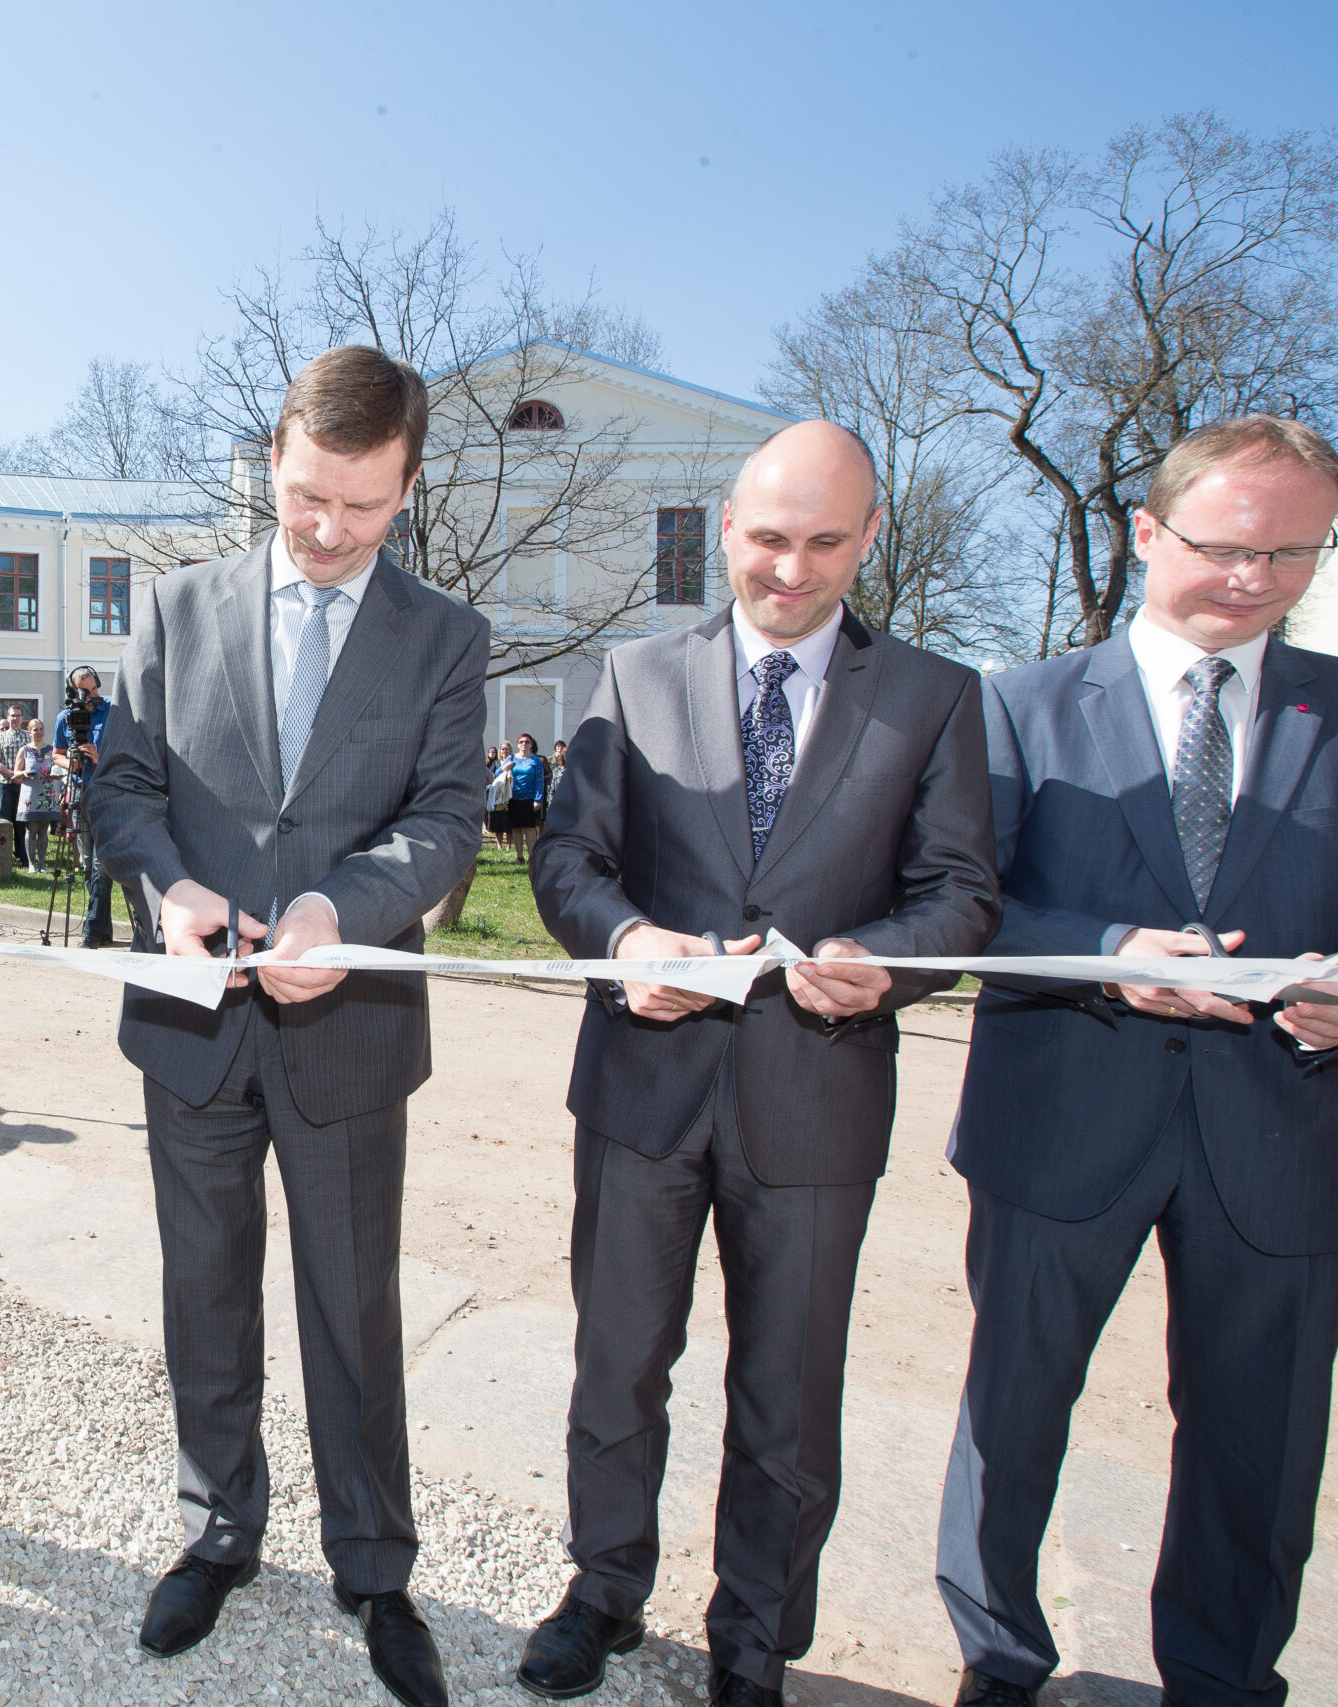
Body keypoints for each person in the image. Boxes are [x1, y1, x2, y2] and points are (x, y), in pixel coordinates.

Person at [526, 420, 999, 1707]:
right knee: (617, 1362)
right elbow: (567, 858)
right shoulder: (635, 674)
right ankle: (602, 1590)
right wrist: (625, 940)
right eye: (769, 539)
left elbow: (961, 892)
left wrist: (883, 960)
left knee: (787, 1393)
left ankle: (753, 1640)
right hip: (641, 1089)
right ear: (726, 528)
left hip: (816, 1092)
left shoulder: (934, 696)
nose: (790, 570)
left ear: (869, 538)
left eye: (824, 542)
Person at [936, 417, 1338, 1707]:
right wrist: (1101, 951)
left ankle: (1223, 1676)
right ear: (1145, 532)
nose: (1252, 578)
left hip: (1286, 1130)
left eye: (1290, 554)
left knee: (1261, 1439)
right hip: (1060, 1114)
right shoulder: (1015, 703)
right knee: (1012, 1412)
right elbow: (961, 906)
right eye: (1224, 546)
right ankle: (997, 1658)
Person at [89, 345, 488, 1707]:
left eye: (363, 507)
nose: (327, 530)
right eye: (309, 495)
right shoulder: (174, 607)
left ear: (408, 486)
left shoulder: (445, 636)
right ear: (272, 457)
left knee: (352, 1302)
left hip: (348, 1025)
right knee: (203, 1287)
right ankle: (216, 1529)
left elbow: (447, 819)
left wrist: (338, 908)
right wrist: (167, 888)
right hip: (194, 1023)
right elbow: (122, 791)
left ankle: (373, 1565)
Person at [53, 666, 118, 946]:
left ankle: (90, 932)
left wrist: (99, 757)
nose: (93, 695)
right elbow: (56, 754)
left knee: (102, 866)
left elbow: (125, 754)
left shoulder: (113, 711)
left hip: (107, 795)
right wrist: (72, 762)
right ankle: (104, 929)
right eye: (85, 692)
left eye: (94, 689)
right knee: (88, 865)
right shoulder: (65, 718)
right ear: (73, 692)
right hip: (79, 793)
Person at [14, 717, 55, 871]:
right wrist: (24, 773)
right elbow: (15, 773)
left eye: (41, 729)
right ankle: (31, 864)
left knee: (44, 829)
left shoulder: (51, 750)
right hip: (30, 793)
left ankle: (42, 864)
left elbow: (57, 769)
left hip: (46, 793)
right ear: (30, 732)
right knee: (31, 829)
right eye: (35, 729)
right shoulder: (24, 750)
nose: (39, 732)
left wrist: (56, 775)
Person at [505, 732, 547, 864]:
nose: (524, 744)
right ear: (517, 744)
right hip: (513, 797)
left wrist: (538, 799)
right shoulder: (511, 758)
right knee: (516, 828)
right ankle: (519, 856)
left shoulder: (535, 760)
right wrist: (506, 767)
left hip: (529, 798)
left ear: (531, 744)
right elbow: (498, 773)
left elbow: (539, 780)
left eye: (527, 742)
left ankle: (532, 857)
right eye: (521, 742)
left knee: (529, 828)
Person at [484, 746, 515, 850]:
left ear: (510, 750)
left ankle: (509, 845)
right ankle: (499, 845)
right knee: (498, 820)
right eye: (502, 749)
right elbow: (492, 775)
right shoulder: (496, 763)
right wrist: (503, 768)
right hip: (497, 795)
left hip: (510, 793)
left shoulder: (514, 761)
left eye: (506, 749)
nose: (504, 751)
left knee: (509, 821)